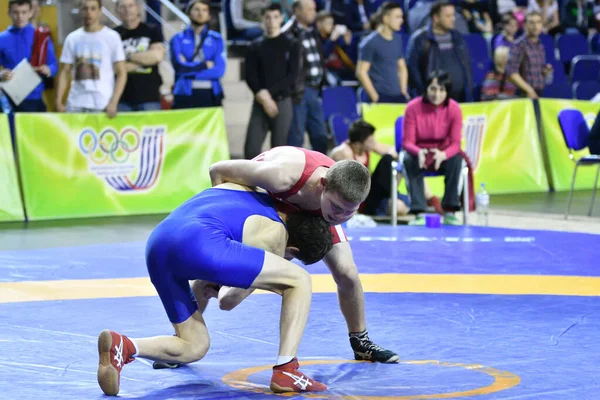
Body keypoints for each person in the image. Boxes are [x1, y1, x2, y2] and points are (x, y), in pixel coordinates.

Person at [97, 183, 332, 396]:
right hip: (200, 242)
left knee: (195, 345)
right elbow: (228, 300)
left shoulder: (251, 189)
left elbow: (217, 174)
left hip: (158, 243)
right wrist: (226, 286)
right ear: (294, 248)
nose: (285, 259)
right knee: (299, 280)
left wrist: (212, 278)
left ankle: (125, 346)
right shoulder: (276, 236)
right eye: (289, 256)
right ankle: (287, 369)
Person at [209, 146, 400, 363]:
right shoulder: (282, 175)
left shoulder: (336, 203)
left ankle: (361, 342)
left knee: (347, 272)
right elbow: (217, 170)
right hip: (268, 199)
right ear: (323, 184)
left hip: (312, 209)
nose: (341, 217)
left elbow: (338, 212)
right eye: (338, 208)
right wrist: (225, 226)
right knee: (229, 297)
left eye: (350, 212)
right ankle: (185, 336)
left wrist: (336, 210)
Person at [330, 119, 443, 217]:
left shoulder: (366, 146)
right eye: (370, 141)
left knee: (405, 160)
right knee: (388, 161)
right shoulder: (343, 153)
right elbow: (349, 188)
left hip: (373, 192)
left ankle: (429, 198)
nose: (373, 143)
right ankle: (422, 202)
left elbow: (395, 152)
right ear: (358, 144)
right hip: (359, 199)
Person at [402, 70, 464, 226]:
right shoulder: (412, 108)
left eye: (442, 90)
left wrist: (443, 154)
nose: (437, 94)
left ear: (447, 91)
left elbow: (456, 144)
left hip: (442, 153)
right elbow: (407, 142)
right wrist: (419, 152)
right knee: (408, 159)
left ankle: (450, 211)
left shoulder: (455, 109)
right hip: (420, 152)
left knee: (456, 159)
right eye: (433, 89)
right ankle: (419, 212)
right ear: (426, 89)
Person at [244, 2, 300, 160]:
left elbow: (292, 75)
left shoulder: (291, 44)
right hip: (260, 102)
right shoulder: (255, 46)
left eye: (275, 17)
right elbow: (250, 75)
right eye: (267, 17)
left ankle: (275, 184)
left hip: (281, 101)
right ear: (263, 19)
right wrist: (262, 96)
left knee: (279, 150)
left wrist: (268, 94)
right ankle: (251, 184)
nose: (271, 21)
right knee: (251, 149)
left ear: (281, 18)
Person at [55, 0, 127, 117]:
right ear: (80, 11)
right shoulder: (72, 38)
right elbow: (64, 71)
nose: (89, 13)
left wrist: (114, 102)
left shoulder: (112, 37)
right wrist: (58, 100)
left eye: (93, 9)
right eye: (85, 9)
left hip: (102, 103)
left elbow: (122, 73)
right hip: (75, 103)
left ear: (99, 11)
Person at [0, 0, 58, 112]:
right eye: (16, 12)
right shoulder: (2, 39)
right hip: (8, 101)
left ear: (30, 13)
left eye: (24, 12)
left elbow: (54, 65)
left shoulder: (41, 37)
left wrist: (48, 69)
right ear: (9, 13)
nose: (20, 16)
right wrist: (1, 74)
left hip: (35, 99)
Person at [115, 0, 165, 112]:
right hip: (122, 99)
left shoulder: (152, 30)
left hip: (149, 97)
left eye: (131, 5)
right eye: (122, 6)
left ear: (138, 7)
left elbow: (156, 56)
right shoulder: (113, 35)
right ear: (116, 10)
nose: (127, 10)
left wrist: (126, 55)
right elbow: (112, 66)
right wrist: (143, 60)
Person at [356, 2, 409, 104]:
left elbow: (402, 67)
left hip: (398, 97)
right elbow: (361, 72)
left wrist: (403, 92)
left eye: (401, 17)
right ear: (385, 18)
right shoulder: (370, 43)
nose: (401, 21)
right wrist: (376, 98)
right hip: (380, 97)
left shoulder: (398, 39)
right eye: (397, 17)